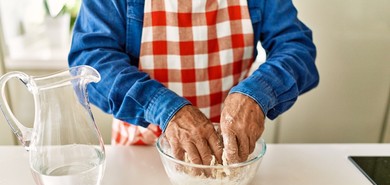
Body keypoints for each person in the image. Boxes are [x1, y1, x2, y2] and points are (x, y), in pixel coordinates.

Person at [69, 0, 319, 165]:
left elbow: (296, 48)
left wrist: (258, 93)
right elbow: (91, 61)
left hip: (227, 157)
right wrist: (164, 107)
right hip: (139, 155)